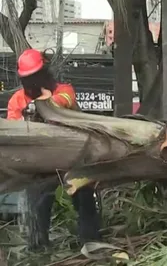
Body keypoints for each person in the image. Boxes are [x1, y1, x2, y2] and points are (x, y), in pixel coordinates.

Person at [7, 48, 101, 249]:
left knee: (85, 198)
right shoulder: (17, 100)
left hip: (71, 159)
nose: (32, 83)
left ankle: (91, 243)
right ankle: (38, 247)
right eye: (28, 79)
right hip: (41, 164)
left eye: (35, 78)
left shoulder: (64, 92)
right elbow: (13, 126)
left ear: (44, 75)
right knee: (37, 204)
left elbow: (63, 102)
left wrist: (42, 104)